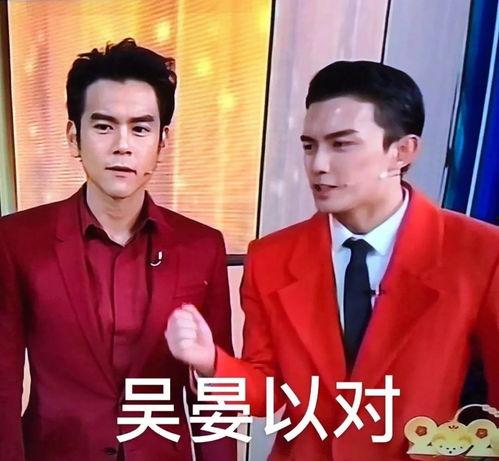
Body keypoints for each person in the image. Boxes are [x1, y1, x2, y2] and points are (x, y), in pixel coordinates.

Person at [165, 60, 499, 460]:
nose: (318, 165)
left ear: (402, 151)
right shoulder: (271, 258)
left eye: (341, 144)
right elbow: (271, 393)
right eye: (310, 146)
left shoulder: (481, 253)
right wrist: (211, 363)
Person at [0, 38, 235, 461]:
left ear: (162, 141)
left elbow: (215, 385)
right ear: (74, 136)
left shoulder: (202, 246)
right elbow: (2, 383)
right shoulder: (18, 240)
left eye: (140, 128)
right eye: (104, 126)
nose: (122, 145)